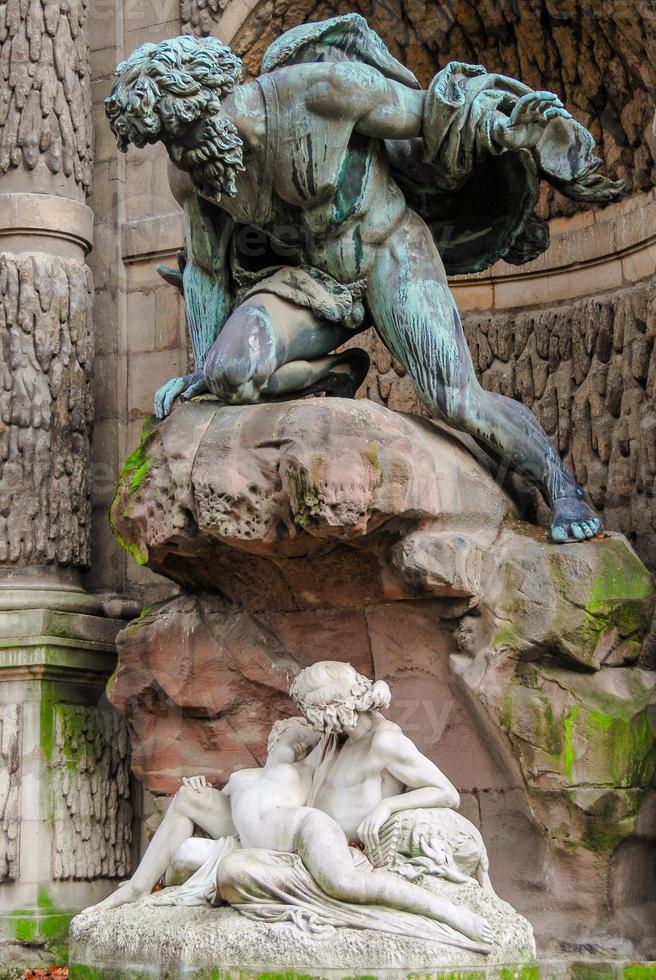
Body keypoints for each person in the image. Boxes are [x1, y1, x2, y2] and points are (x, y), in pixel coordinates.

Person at [104, 15, 622, 543]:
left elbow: (426, 119)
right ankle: (334, 373)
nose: (179, 153)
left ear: (208, 98)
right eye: (165, 142)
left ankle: (559, 485)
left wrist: (502, 130)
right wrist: (201, 364)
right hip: (307, 282)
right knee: (229, 375)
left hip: (387, 251)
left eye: (180, 132)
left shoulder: (317, 94)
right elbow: (208, 268)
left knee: (454, 399)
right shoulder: (195, 172)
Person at [86, 713, 493, 951]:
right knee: (189, 811)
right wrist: (198, 791)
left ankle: (452, 915)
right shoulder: (247, 778)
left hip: (299, 826)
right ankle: (138, 887)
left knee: (346, 883)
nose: (283, 734)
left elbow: (373, 738)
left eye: (294, 733)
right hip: (252, 833)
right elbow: (211, 807)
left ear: (306, 743)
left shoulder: (311, 766)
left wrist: (386, 803)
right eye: (281, 732)